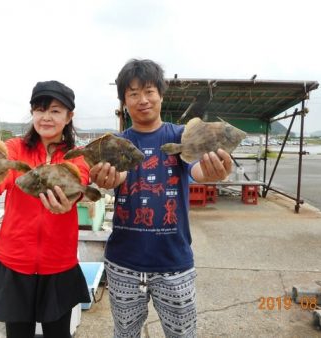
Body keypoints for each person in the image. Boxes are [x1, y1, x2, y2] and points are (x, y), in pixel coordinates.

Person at [90, 59, 232, 338]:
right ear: (124, 101)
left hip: (174, 263)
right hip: (122, 264)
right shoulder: (114, 144)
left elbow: (199, 170)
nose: (142, 100)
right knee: (125, 334)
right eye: (133, 94)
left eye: (149, 91)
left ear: (161, 95)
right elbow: (111, 181)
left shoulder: (181, 136)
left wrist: (215, 170)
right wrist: (106, 182)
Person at [0, 80, 90, 338]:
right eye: (40, 109)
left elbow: (80, 180)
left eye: (55, 110)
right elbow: (1, 173)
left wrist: (71, 199)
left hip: (58, 264)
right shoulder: (15, 148)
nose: (46, 117)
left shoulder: (77, 154)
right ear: (32, 112)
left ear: (69, 116)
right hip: (14, 262)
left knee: (59, 334)